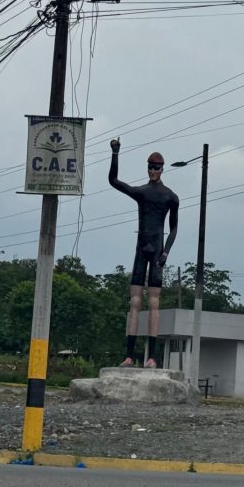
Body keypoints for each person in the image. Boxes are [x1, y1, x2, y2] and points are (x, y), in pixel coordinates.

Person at [109, 138, 178, 367]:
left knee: (154, 302)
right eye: (149, 167)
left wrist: (166, 252)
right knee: (135, 301)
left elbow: (174, 227)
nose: (152, 171)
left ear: (162, 169)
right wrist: (115, 153)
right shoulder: (142, 192)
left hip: (157, 250)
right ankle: (129, 355)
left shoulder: (170, 197)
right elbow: (114, 181)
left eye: (156, 167)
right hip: (141, 248)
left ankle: (151, 357)